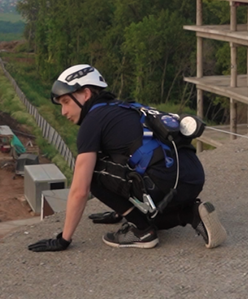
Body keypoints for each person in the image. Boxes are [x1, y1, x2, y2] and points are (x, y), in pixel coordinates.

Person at [28, 63, 226, 252]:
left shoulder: (92, 122)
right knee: (141, 194)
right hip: (192, 178)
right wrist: (119, 210)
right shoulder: (124, 107)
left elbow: (80, 189)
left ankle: (142, 231)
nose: (63, 111)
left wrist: (63, 239)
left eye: (66, 102)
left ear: (86, 94)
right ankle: (191, 213)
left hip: (164, 183)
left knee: (92, 175)